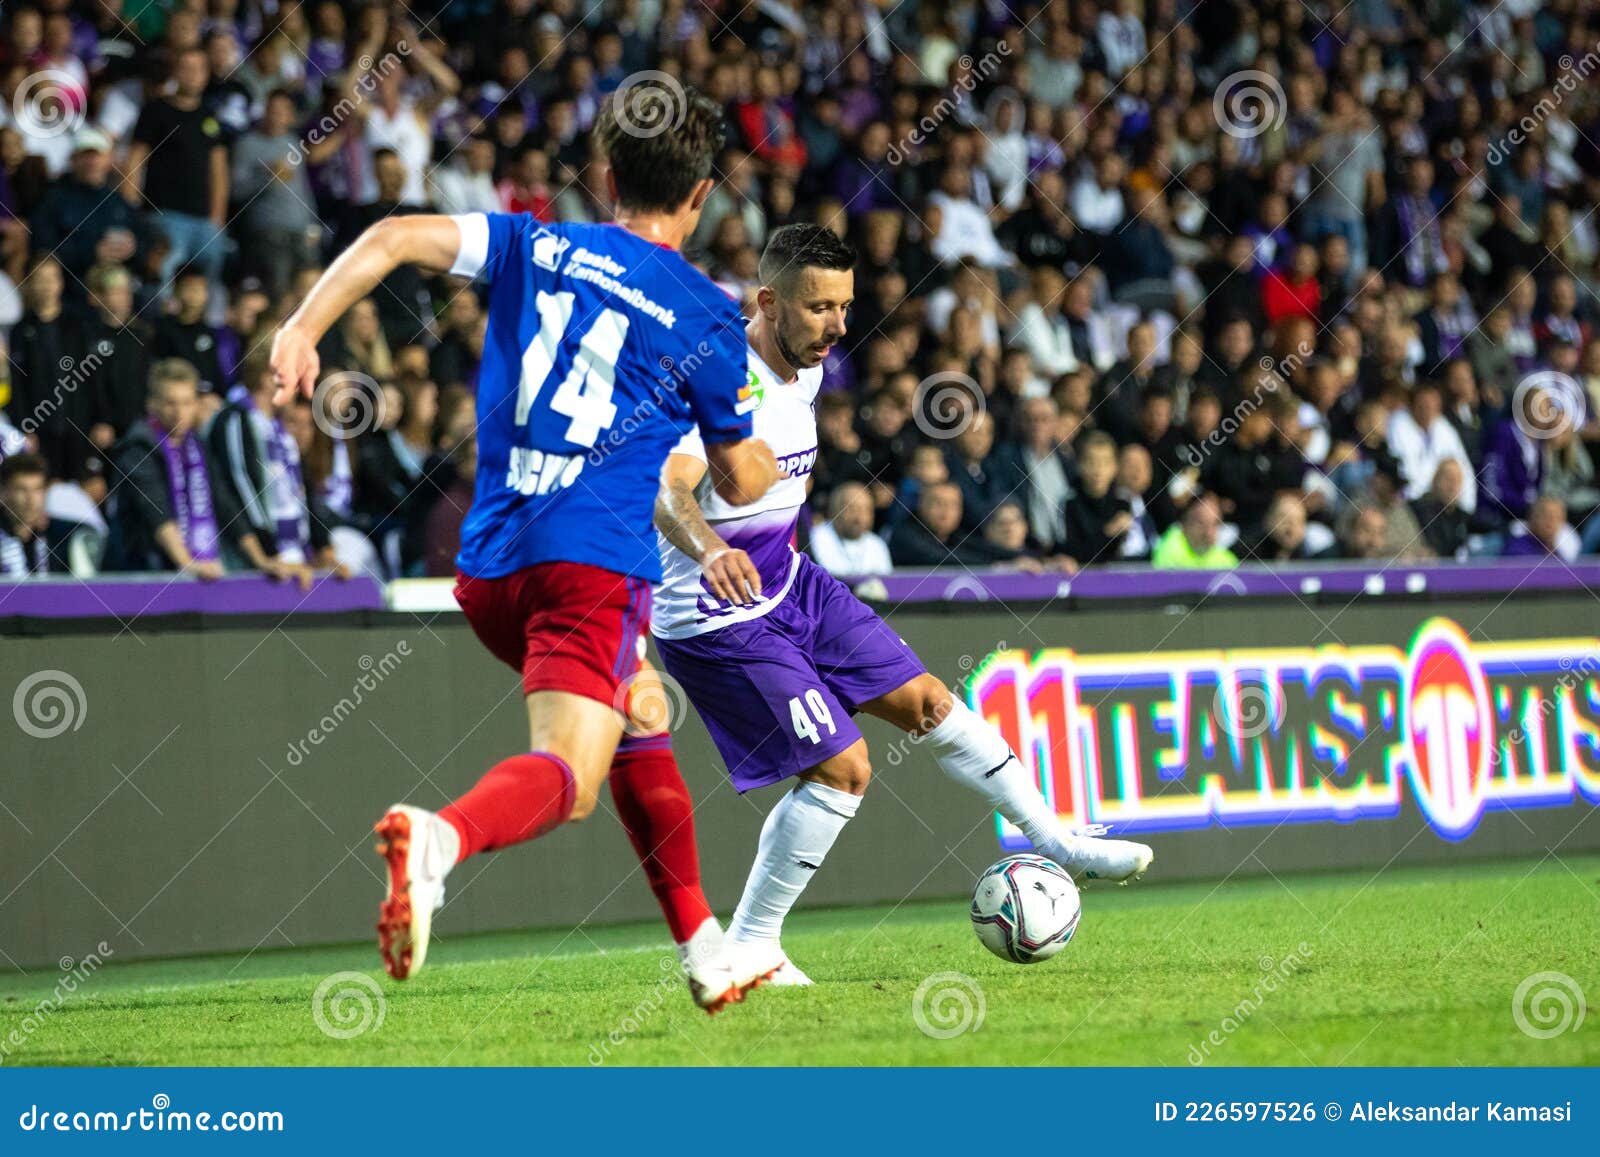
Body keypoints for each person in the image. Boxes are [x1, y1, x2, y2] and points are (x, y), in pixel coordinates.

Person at [268, 82, 785, 1012]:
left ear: (604, 176)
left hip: (491, 562)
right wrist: (761, 438)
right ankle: (441, 840)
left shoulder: (533, 241)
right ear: (703, 193)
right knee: (573, 778)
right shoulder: (707, 316)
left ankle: (705, 946)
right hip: (592, 565)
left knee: (640, 708)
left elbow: (389, 239)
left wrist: (304, 328)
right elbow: (743, 479)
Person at [651, 225, 1153, 985]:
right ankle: (752, 944)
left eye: (845, 307)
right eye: (818, 307)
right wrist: (712, 549)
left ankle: (1056, 838)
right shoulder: (722, 381)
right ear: (767, 302)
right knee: (843, 767)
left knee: (928, 702)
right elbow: (669, 490)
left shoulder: (808, 364)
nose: (838, 325)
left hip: (788, 579)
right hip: (716, 615)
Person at [105, 359, 225, 577]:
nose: (179, 412)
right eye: (171, 403)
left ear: (198, 404)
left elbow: (224, 501)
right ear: (152, 404)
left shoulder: (198, 446)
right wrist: (189, 564)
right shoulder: (137, 448)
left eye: (187, 402)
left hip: (184, 569)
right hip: (138, 574)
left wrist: (263, 558)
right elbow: (156, 512)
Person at [0, 451, 94, 576]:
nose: (30, 499)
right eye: (21, 490)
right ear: (3, 493)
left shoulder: (66, 536)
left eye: (37, 489)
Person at [809, 481, 891, 577]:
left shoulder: (877, 545)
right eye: (852, 509)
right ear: (835, 509)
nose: (859, 517)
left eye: (866, 510)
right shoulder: (816, 538)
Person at [1150, 493, 1239, 569]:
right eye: (1201, 523)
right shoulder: (1169, 549)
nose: (1208, 532)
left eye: (1215, 524)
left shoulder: (1226, 558)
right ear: (1184, 524)